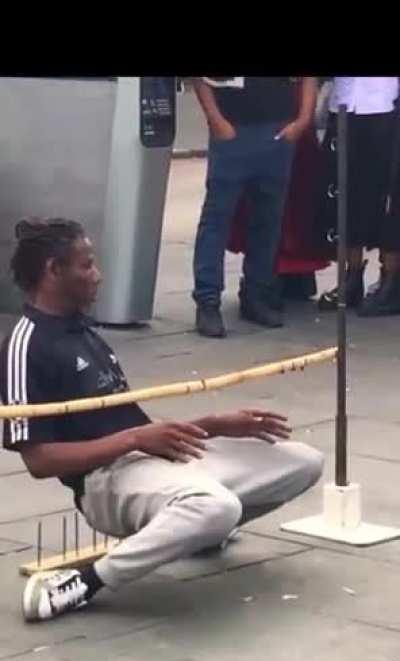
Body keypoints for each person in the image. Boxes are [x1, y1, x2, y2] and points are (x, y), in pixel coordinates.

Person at [0, 219, 323, 624]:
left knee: (303, 461)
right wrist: (135, 438)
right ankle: (86, 582)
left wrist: (214, 424)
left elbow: (138, 430)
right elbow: (40, 461)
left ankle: (192, 533)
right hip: (105, 483)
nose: (97, 275)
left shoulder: (82, 329)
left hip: (147, 461)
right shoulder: (25, 344)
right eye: (86, 266)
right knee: (216, 507)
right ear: (53, 270)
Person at [191, 77, 318, 337]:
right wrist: (216, 120)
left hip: (278, 130)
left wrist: (302, 120)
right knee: (217, 219)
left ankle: (256, 294)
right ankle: (207, 301)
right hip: (233, 129)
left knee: (269, 219)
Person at [226, 82, 330, 305]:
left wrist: (304, 117)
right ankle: (269, 273)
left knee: (298, 194)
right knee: (271, 198)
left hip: (295, 107)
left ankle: (294, 272)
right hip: (262, 109)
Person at [317, 77, 400, 316]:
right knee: (346, 194)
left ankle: (390, 280)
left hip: (385, 106)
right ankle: (350, 278)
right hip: (345, 104)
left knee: (387, 196)